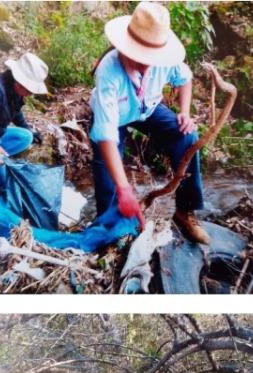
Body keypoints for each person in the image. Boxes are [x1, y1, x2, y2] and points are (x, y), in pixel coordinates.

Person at [90, 1, 209, 243]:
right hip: (116, 117)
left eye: (150, 57)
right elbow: (106, 134)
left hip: (148, 108)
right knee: (108, 180)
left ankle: (184, 211)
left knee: (187, 137)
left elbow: (184, 79)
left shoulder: (165, 60)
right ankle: (110, 229)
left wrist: (184, 111)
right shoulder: (109, 71)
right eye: (139, 55)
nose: (145, 63)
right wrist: (124, 190)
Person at [0, 53, 47, 191]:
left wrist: (29, 130)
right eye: (29, 89)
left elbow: (16, 113)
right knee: (2, 184)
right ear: (19, 82)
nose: (31, 94)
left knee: (26, 136)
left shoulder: (13, 88)